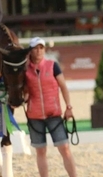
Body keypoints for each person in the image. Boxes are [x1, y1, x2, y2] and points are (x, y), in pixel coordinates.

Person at [26, 37, 77, 177]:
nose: (39, 50)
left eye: (41, 47)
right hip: (34, 117)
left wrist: (69, 107)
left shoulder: (53, 65)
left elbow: (63, 87)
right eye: (36, 48)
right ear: (30, 50)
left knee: (65, 148)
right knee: (40, 151)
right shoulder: (25, 70)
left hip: (54, 114)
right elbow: (23, 93)